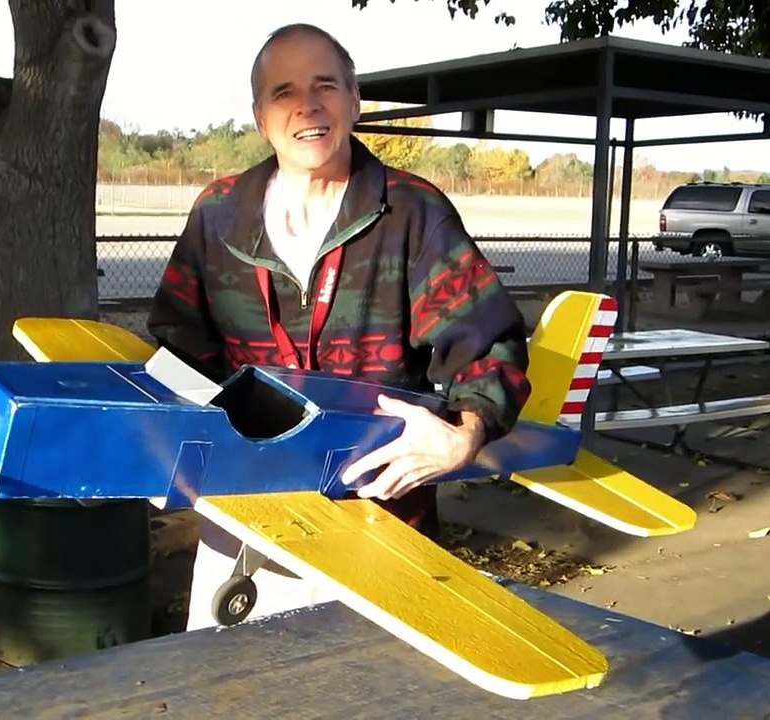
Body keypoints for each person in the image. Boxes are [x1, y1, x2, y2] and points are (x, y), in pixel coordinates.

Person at [146, 22, 531, 631]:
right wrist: (152, 448)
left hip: (381, 522)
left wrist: (465, 433)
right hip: (243, 523)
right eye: (284, 92)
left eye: (326, 85)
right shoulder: (217, 213)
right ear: (260, 116)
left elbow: (489, 347)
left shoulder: (413, 212)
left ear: (354, 101)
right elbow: (177, 352)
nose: (308, 106)